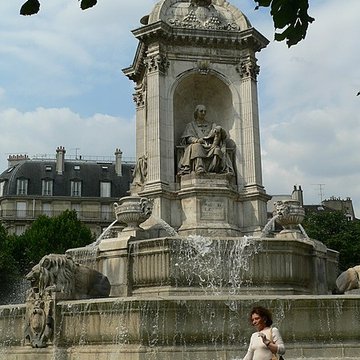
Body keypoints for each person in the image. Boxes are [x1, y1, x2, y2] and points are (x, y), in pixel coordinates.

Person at [178, 104, 233, 175]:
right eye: (201, 111)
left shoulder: (211, 124)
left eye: (205, 111)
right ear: (196, 112)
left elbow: (224, 135)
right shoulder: (190, 125)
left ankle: (214, 169)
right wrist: (197, 140)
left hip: (210, 146)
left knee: (217, 150)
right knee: (196, 147)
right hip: (198, 144)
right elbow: (187, 138)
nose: (203, 113)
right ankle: (199, 167)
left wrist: (220, 129)